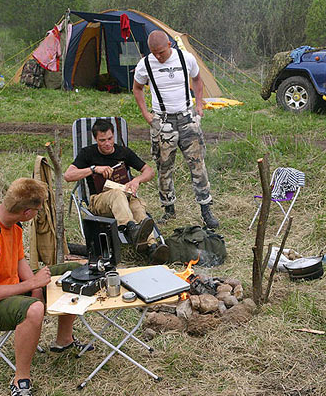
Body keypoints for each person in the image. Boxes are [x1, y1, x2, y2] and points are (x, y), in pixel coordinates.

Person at [0, 178, 87, 396]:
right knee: (34, 310)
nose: (37, 215)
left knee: (71, 271)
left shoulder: (11, 223)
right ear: (27, 212)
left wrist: (36, 289)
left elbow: (19, 260)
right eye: (37, 211)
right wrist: (31, 286)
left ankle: (63, 340)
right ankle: (20, 380)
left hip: (10, 288)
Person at [132, 30, 219, 229]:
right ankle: (168, 209)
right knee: (164, 167)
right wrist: (147, 115)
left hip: (187, 118)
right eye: (154, 52)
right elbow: (137, 88)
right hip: (162, 121)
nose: (158, 56)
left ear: (169, 45)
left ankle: (206, 209)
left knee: (197, 164)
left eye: (161, 52)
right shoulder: (145, 64)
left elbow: (197, 79)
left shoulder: (185, 58)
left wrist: (198, 105)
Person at [63, 119, 169, 264]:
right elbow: (68, 176)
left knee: (136, 206)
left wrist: (136, 180)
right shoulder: (88, 153)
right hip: (99, 200)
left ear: (114, 136)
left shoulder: (123, 152)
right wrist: (93, 169)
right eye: (102, 140)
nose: (107, 143)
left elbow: (149, 171)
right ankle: (131, 229)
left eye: (110, 139)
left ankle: (152, 248)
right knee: (117, 194)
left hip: (125, 199)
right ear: (95, 139)